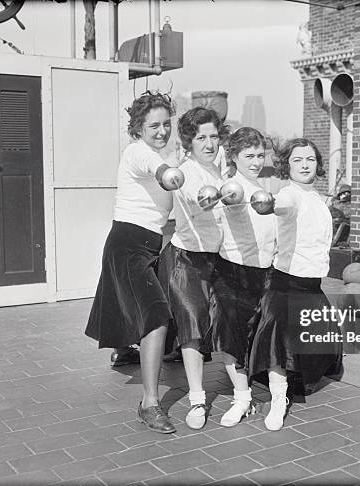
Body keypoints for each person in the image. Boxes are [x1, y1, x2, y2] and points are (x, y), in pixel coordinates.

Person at [85, 91, 184, 434]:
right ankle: (150, 405)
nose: (161, 131)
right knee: (156, 315)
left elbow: (166, 212)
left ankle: (127, 351)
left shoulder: (163, 155)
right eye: (154, 125)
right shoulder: (139, 153)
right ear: (138, 129)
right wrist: (167, 172)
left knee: (140, 306)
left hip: (150, 245)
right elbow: (156, 169)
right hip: (127, 244)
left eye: (166, 124)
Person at [247, 138, 343, 431]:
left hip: (312, 288)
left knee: (318, 351)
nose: (304, 165)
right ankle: (278, 401)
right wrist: (268, 205)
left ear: (318, 165)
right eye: (298, 160)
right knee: (278, 345)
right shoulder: (289, 196)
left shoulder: (318, 199)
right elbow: (280, 206)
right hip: (286, 285)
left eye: (310, 160)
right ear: (287, 165)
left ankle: (286, 390)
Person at [158, 107, 230, 430]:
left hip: (216, 260)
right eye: (201, 137)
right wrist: (213, 198)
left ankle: (242, 393)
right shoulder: (183, 172)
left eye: (214, 136)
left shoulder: (222, 172)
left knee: (222, 325)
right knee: (191, 327)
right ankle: (198, 400)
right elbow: (195, 199)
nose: (209, 143)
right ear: (189, 140)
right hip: (185, 261)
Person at [211, 127, 277, 427]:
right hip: (234, 271)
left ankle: (272, 394)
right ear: (234, 156)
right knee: (232, 336)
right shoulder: (231, 188)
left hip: (266, 272)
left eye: (260, 155)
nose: (255, 161)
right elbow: (229, 201)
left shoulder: (266, 189)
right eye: (248, 155)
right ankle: (242, 398)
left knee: (265, 336)